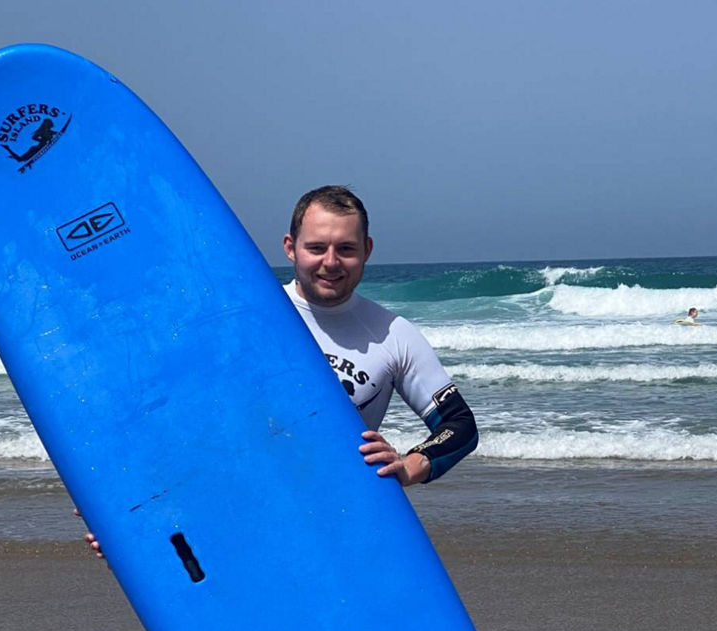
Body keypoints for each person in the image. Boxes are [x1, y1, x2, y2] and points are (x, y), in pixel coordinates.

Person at [81, 185, 479, 558]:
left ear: (367, 250)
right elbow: (168, 415)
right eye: (316, 247)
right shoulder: (236, 319)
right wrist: (124, 511)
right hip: (225, 514)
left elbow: (459, 424)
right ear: (290, 248)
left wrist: (411, 465)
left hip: (336, 526)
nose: (330, 262)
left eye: (346, 248)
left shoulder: (393, 335)